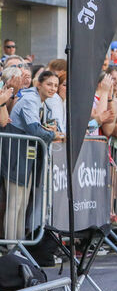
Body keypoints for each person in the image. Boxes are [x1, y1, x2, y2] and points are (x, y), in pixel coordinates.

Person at [5, 70, 62, 240]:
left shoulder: (42, 102)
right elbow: (34, 130)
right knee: (15, 203)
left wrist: (51, 130)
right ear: (39, 84)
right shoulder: (30, 99)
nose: (53, 88)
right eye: (49, 84)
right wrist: (55, 135)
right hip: (16, 152)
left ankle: (19, 243)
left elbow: (39, 128)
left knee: (22, 203)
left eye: (56, 85)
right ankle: (11, 245)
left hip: (26, 153)